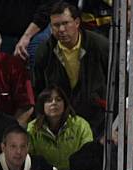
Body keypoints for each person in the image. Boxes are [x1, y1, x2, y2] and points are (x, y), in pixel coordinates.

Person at [32, 1, 109, 137]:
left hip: (97, 121)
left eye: (65, 23)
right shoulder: (44, 52)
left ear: (77, 22)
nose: (61, 29)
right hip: (60, 123)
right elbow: (38, 90)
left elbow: (119, 82)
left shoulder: (100, 45)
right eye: (56, 25)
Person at [27, 85, 93, 170]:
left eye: (58, 99)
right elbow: (30, 162)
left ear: (65, 103)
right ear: (42, 105)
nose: (54, 103)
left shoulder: (81, 125)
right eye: (49, 100)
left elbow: (87, 158)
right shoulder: (32, 129)